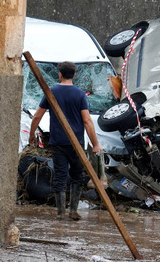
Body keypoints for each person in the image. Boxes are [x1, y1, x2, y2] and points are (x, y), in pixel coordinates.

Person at [29, 61, 102, 221]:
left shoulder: (51, 92)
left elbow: (37, 116)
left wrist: (31, 134)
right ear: (74, 75)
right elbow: (87, 121)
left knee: (60, 176)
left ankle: (60, 212)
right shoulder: (79, 94)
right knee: (77, 176)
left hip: (58, 142)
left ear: (60, 74)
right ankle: (73, 211)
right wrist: (95, 143)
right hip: (76, 143)